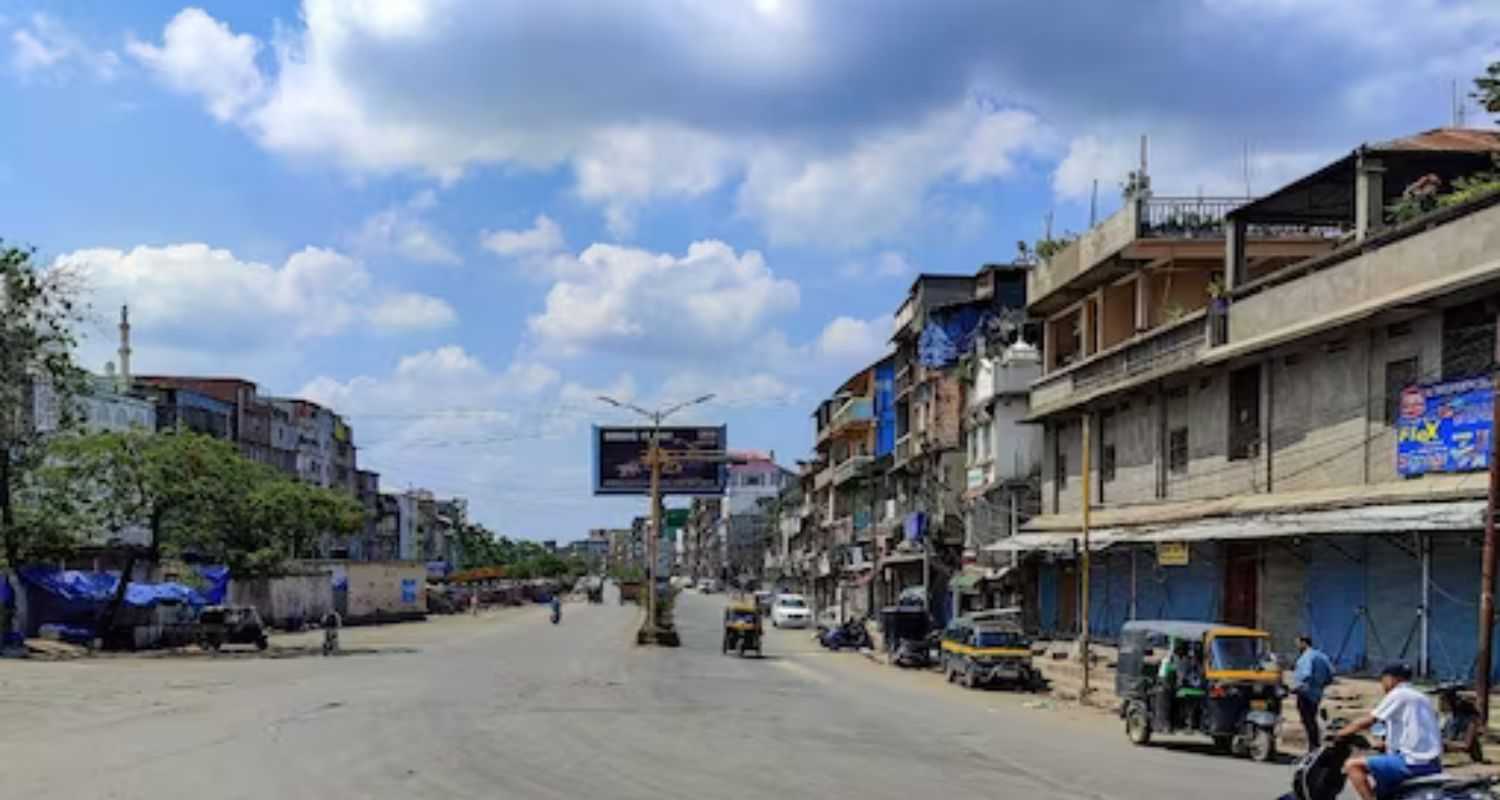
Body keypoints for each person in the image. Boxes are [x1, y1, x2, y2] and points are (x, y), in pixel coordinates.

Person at [1339, 663, 1442, 800]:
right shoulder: (1421, 696)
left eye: (1383, 679)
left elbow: (1370, 720)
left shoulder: (1398, 694)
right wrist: (1383, 745)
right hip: (1431, 761)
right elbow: (1409, 729)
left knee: (1353, 766)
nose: (1382, 684)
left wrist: (1340, 734)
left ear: (1391, 679)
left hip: (1412, 762)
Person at [1293, 634, 1336, 750]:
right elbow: (1331, 674)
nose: (1297, 646)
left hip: (1305, 693)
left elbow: (1306, 675)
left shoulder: (1306, 657)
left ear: (1303, 643)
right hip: (1317, 694)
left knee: (1308, 720)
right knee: (1312, 718)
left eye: (1298, 643)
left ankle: (1313, 746)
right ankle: (1315, 745)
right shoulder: (1322, 656)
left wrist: (1297, 687)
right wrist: (1320, 685)